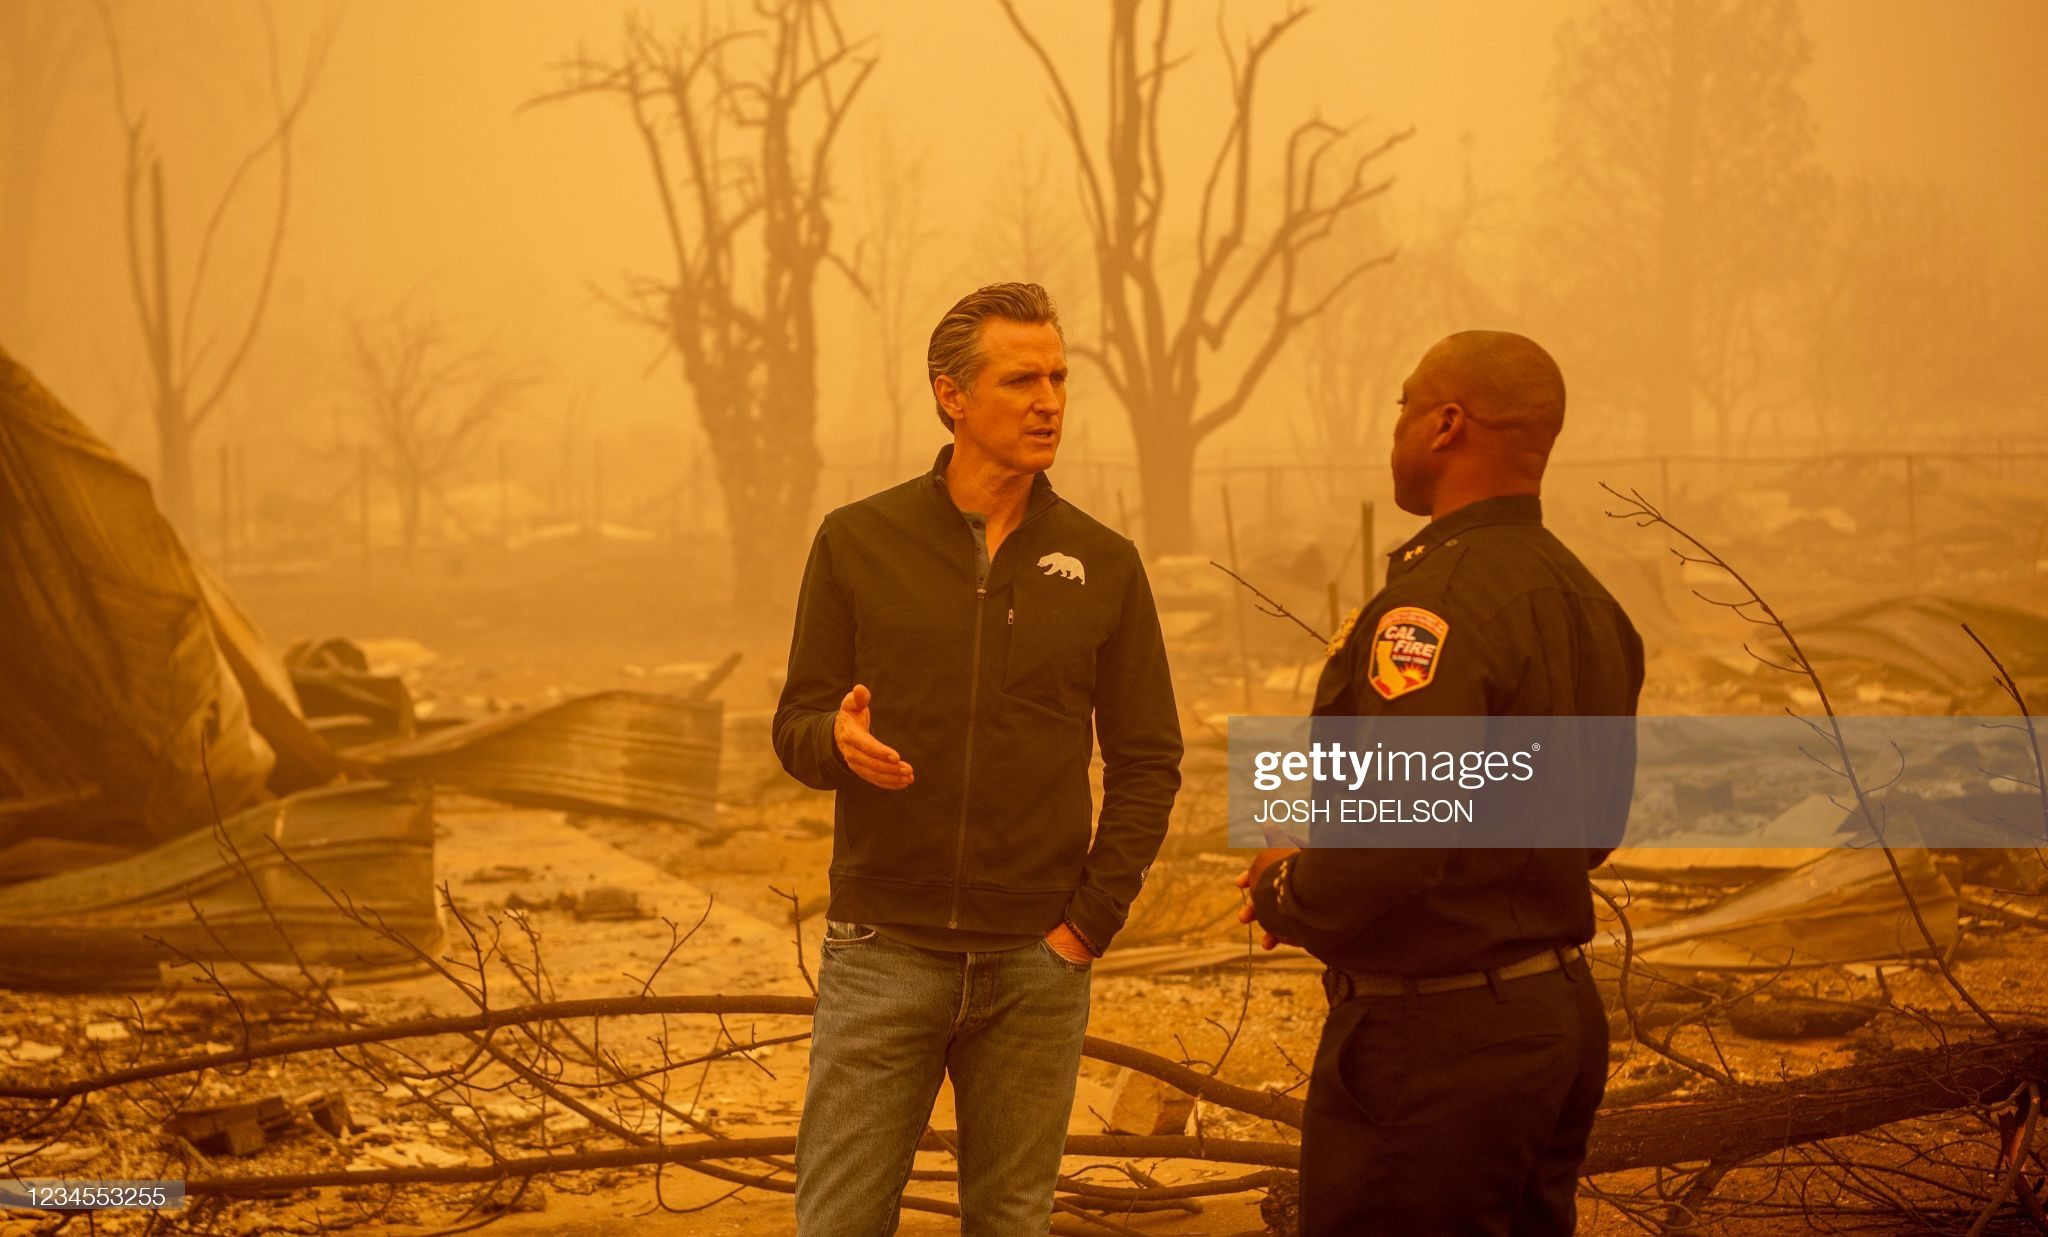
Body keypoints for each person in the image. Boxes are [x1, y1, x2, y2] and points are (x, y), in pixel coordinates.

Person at [774, 282, 1183, 1234]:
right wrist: (835, 740)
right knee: (838, 1221)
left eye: (1059, 379)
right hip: (883, 951)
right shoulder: (858, 540)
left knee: (1010, 1220)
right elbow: (795, 723)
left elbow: (1149, 757)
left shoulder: (1104, 562)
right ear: (951, 396)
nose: (1049, 402)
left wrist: (1086, 926)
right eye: (1021, 380)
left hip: (1035, 962)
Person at [1238, 330, 1643, 1236]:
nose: (1397, 428)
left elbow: (1392, 838)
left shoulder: (1436, 607)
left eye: (1404, 406)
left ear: (1446, 424)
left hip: (1439, 1046)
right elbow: (1595, 828)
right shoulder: (1589, 600)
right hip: (1555, 1020)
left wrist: (1286, 887)